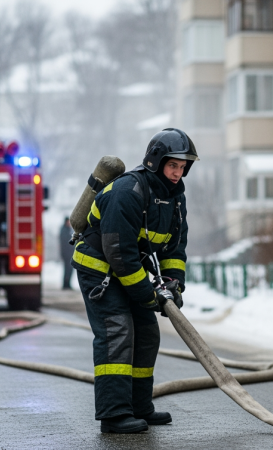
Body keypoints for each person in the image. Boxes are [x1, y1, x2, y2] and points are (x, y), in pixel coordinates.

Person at [72, 128, 195, 434]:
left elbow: (174, 249)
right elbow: (120, 252)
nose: (178, 173)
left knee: (147, 333)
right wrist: (149, 296)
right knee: (118, 331)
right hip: (99, 269)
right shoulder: (127, 191)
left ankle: (140, 407)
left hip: (128, 270)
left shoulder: (175, 199)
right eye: (172, 165)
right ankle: (114, 414)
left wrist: (173, 284)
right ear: (155, 162)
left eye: (182, 167)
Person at [59, 217, 74, 290]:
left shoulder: (68, 230)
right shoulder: (64, 231)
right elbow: (65, 243)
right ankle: (66, 284)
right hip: (66, 254)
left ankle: (67, 284)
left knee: (69, 269)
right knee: (67, 269)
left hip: (69, 254)